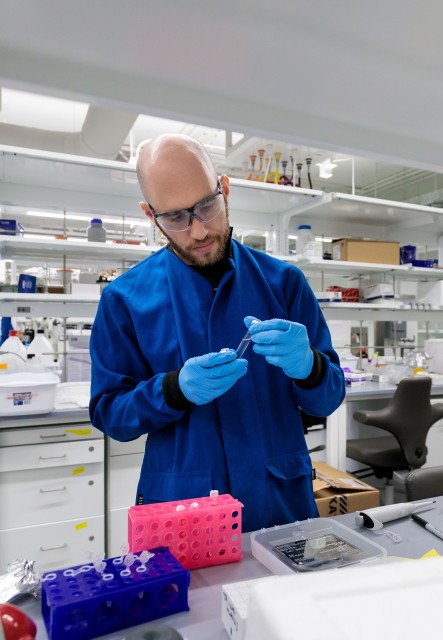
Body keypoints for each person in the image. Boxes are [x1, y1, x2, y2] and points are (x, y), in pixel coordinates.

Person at [89, 133, 345, 532]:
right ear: (149, 215)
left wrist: (309, 367)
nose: (198, 231)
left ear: (225, 190)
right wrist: (174, 390)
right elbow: (110, 414)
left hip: (280, 502)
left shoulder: (284, 283)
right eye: (175, 217)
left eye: (207, 207)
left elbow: (328, 397)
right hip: (184, 511)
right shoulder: (125, 300)